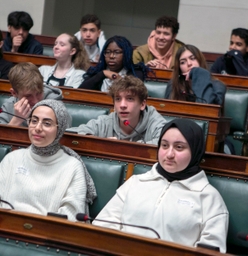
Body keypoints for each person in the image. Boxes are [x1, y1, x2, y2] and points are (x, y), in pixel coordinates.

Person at [92, 118, 229, 253]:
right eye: (164, 145)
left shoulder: (209, 198)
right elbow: (103, 225)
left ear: (195, 152)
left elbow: (210, 250)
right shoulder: (136, 182)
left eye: (179, 147)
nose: (169, 154)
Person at [0, 99, 96, 221]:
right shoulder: (12, 158)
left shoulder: (72, 166)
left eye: (47, 123)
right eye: (34, 121)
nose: (38, 128)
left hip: (47, 236)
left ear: (59, 129)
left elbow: (71, 216)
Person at [71, 76, 166, 145]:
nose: (122, 105)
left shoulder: (154, 121)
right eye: (118, 99)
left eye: (130, 99)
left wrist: (120, 146)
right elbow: (77, 133)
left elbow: (166, 143)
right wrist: (100, 143)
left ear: (142, 104)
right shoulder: (106, 121)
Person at [0, 62, 65, 126]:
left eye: (39, 93)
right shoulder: (8, 107)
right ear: (14, 93)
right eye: (28, 96)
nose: (35, 101)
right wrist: (16, 120)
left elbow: (64, 130)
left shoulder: (55, 104)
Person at [79, 35, 149, 92]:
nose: (111, 56)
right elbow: (80, 92)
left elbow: (130, 92)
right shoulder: (98, 72)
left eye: (117, 52)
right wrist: (103, 74)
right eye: (108, 52)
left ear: (126, 54)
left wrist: (116, 77)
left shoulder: (136, 73)